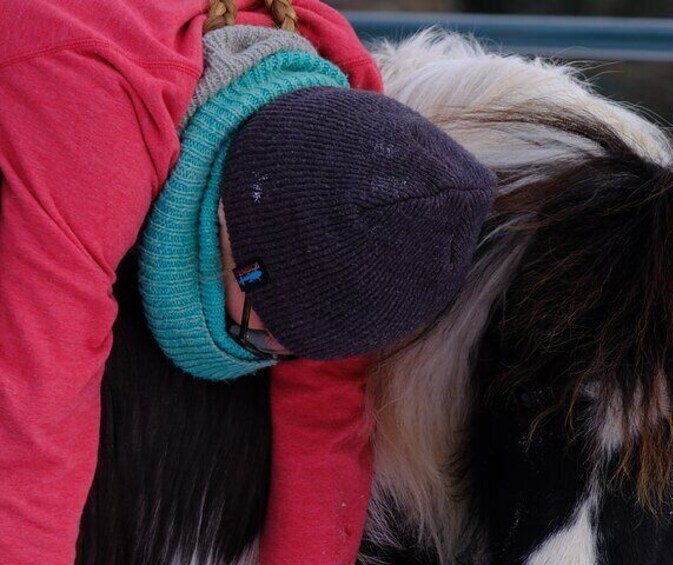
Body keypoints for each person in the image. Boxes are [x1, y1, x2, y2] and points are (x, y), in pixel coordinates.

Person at [0, 1, 464, 563]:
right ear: (230, 229)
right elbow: (34, 419)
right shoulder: (90, 124)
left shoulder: (348, 123)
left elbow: (327, 406)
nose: (281, 356)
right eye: (272, 334)